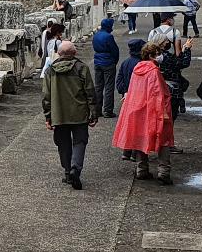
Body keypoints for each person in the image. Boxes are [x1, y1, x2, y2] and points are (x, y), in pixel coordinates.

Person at [114, 39, 175, 184]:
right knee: (163, 140)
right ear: (152, 55)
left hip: (137, 108)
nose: (160, 56)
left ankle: (141, 169)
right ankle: (163, 172)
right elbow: (156, 93)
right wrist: (162, 112)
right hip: (154, 109)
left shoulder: (138, 69)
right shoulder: (153, 71)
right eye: (158, 53)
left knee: (140, 138)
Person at [43, 40, 100, 189]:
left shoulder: (50, 71)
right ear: (74, 53)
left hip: (59, 113)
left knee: (63, 144)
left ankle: (68, 172)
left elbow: (46, 96)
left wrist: (48, 116)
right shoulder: (81, 68)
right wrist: (93, 113)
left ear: (59, 54)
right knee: (80, 142)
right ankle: (76, 168)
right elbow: (90, 92)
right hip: (79, 112)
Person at [91, 16, 120, 117]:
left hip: (98, 61)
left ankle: (97, 110)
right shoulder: (108, 36)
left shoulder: (96, 35)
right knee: (108, 87)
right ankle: (108, 110)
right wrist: (114, 61)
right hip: (108, 62)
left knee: (98, 87)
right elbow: (115, 50)